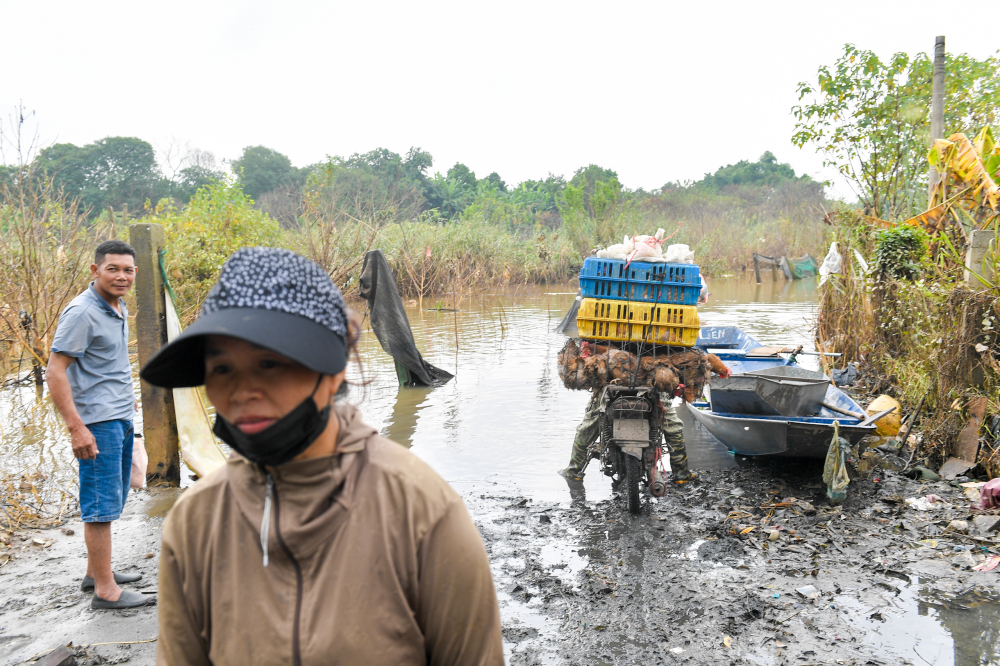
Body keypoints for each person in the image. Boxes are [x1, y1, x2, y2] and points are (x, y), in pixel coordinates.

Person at [141, 247, 503, 665]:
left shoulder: (421, 512)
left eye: (269, 363)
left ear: (331, 372)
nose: (242, 392)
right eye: (221, 370)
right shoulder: (195, 523)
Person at [47, 239, 152, 610]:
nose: (122, 276)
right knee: (101, 506)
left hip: (118, 414)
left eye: (128, 270)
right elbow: (55, 371)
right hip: (97, 421)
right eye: (113, 269)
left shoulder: (117, 306)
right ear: (95, 271)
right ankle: (105, 592)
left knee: (114, 496)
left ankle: (96, 573)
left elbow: (104, 365)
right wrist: (77, 427)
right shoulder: (82, 312)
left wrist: (127, 399)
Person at [559, 386, 698, 484]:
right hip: (652, 381)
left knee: (590, 423)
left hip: (612, 382)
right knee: (672, 424)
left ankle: (574, 471)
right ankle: (681, 474)